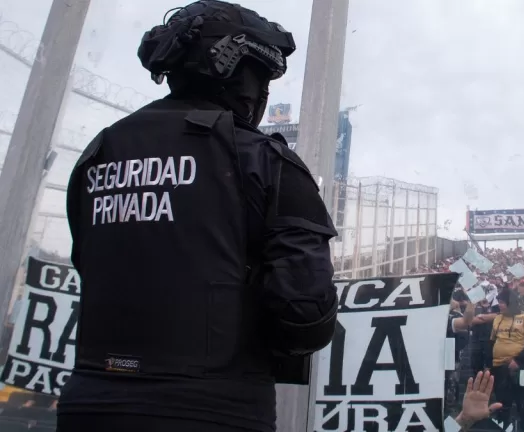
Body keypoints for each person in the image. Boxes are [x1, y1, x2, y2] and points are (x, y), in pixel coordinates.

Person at [57, 2, 338, 432]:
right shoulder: (266, 160)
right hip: (212, 409)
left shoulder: (99, 150)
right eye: (260, 78)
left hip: (88, 401)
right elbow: (305, 315)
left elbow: (89, 264)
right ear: (236, 71)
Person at [489, 290, 524, 431]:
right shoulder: (497, 318)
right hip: (499, 366)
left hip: (520, 368)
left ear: (511, 304)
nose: (500, 305)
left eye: (502, 302)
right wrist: (488, 364)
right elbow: (492, 341)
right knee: (501, 404)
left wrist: (518, 360)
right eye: (499, 302)